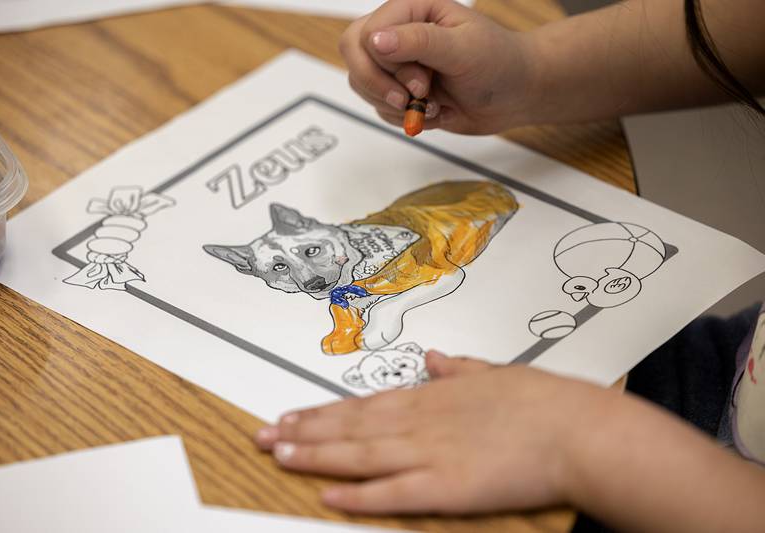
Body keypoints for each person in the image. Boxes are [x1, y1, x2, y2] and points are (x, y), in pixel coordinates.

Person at [254, 1, 765, 531]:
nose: (307, 272)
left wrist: (585, 443)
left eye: (306, 253)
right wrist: (533, 70)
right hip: (725, 367)